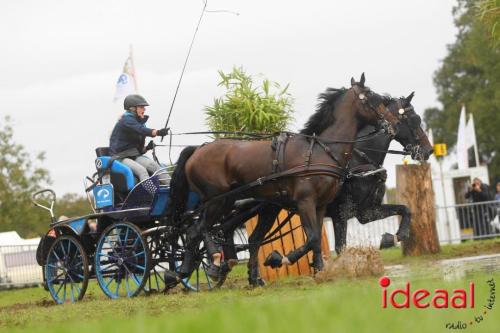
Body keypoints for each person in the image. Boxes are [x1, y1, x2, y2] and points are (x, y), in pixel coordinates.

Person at [109, 94, 169, 185]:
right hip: (120, 158)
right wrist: (158, 132)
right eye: (141, 107)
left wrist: (147, 148)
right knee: (142, 171)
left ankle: (174, 190)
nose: (144, 109)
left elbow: (138, 150)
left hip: (133, 156)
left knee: (156, 167)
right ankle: (150, 195)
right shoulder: (126, 120)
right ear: (133, 108)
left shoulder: (138, 123)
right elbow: (142, 130)